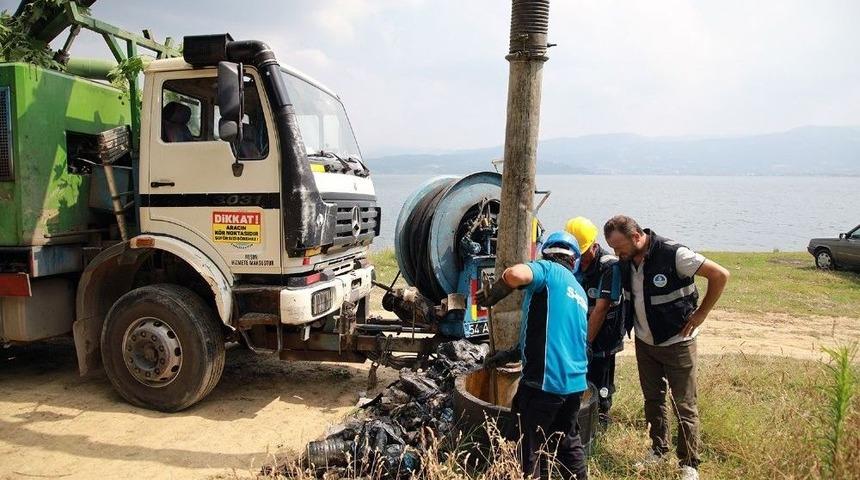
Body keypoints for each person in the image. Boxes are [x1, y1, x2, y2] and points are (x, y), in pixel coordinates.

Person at [603, 215, 730, 480]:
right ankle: (658, 450)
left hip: (677, 343)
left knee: (683, 404)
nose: (617, 253)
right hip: (645, 342)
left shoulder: (674, 254)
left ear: (636, 237)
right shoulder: (626, 261)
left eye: (620, 247)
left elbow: (720, 275)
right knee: (653, 399)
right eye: (612, 248)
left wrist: (701, 314)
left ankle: (689, 464)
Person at [479, 231, 590, 480]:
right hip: (573, 384)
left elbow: (515, 274)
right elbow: (553, 335)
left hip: (544, 383)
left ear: (546, 253)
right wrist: (510, 354)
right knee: (567, 442)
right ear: (575, 260)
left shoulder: (549, 271)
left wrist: (496, 292)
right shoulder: (578, 292)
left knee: (525, 446)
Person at [565, 216, 624, 428]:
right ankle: (578, 420)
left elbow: (601, 309)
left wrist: (586, 344)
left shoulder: (609, 267)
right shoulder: (571, 263)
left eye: (584, 253)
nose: (581, 259)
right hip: (579, 334)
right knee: (579, 380)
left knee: (601, 382)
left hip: (603, 337)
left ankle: (601, 422)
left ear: (594, 245)